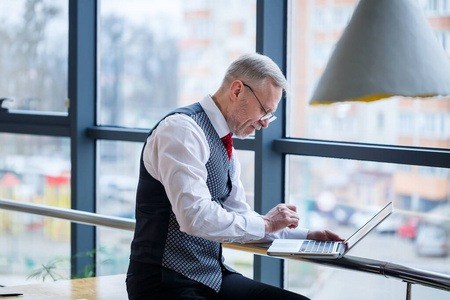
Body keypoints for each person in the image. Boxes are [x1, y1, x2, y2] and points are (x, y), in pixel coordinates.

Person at [126, 53, 344, 300]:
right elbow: (194, 217)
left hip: (212, 276)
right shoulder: (181, 130)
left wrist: (305, 235)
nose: (264, 124)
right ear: (238, 90)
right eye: (264, 110)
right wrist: (267, 223)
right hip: (162, 281)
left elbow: (241, 217)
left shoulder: (225, 145)